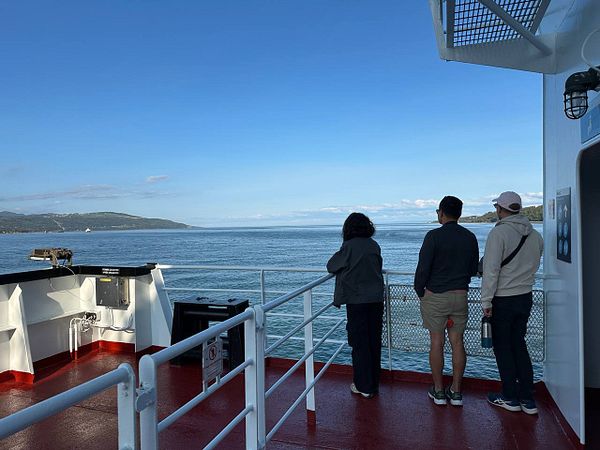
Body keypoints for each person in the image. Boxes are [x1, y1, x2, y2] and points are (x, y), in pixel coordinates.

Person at [481, 191, 543, 415]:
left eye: (497, 206)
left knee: (503, 348)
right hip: (525, 297)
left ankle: (509, 397)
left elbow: (491, 271)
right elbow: (536, 261)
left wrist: (486, 301)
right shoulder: (535, 235)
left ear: (500, 209)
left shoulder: (499, 234)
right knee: (519, 344)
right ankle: (527, 399)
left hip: (503, 298)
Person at [414, 196, 479, 406]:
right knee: (457, 342)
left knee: (436, 342)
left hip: (436, 296)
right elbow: (472, 269)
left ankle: (439, 392)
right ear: (459, 214)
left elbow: (423, 269)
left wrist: (420, 292)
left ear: (441, 213)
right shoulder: (470, 237)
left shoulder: (433, 236)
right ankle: (457, 392)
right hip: (460, 295)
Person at [327, 212, 384, 399]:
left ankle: (363, 386)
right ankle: (373, 383)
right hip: (376, 300)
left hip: (357, 301)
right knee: (373, 341)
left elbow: (332, 266)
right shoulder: (374, 245)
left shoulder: (349, 246)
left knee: (359, 343)